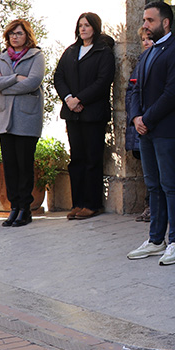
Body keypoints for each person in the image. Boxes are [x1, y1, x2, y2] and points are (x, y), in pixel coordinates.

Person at [126, 1, 175, 266]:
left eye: (149, 20)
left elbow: (173, 93)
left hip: (167, 131)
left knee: (171, 186)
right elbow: (136, 89)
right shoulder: (147, 53)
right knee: (153, 186)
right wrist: (135, 118)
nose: (144, 25)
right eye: (144, 20)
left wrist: (147, 118)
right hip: (147, 130)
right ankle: (156, 240)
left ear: (165, 23)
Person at [53, 12, 116, 220]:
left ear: (95, 28)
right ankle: (78, 203)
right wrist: (69, 98)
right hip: (73, 114)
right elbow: (59, 76)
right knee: (76, 159)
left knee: (92, 159)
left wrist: (80, 99)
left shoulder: (103, 52)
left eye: (87, 25)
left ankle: (92, 204)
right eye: (80, 25)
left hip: (93, 114)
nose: (83, 29)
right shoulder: (71, 51)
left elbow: (103, 81)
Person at [0, 19, 45, 228]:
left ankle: (25, 209)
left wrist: (5, 83)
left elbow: (33, 82)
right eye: (12, 34)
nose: (15, 37)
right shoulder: (3, 57)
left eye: (19, 33)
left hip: (26, 118)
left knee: (24, 165)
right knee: (10, 166)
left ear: (27, 35)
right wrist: (14, 78)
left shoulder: (36, 56)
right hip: (5, 120)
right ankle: (13, 208)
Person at [126, 27, 154, 223]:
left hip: (153, 122)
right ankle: (149, 205)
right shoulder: (140, 62)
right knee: (148, 170)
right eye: (143, 39)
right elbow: (131, 91)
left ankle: (156, 207)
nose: (146, 43)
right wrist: (135, 116)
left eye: (149, 39)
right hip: (139, 122)